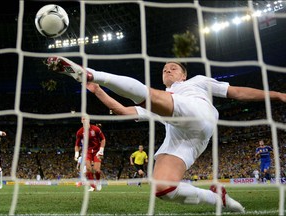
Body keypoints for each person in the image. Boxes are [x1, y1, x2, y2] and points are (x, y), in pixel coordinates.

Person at [45, 56, 286, 213]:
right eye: (164, 69)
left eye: (174, 68)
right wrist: (97, 91)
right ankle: (217, 199)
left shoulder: (197, 83)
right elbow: (121, 110)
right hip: (185, 141)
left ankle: (92, 73)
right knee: (162, 189)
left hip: (199, 114)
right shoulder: (161, 103)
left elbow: (237, 93)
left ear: (183, 75)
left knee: (149, 95)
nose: (168, 69)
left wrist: (276, 95)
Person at [75, 116, 106, 191]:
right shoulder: (80, 132)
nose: (84, 120)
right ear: (81, 121)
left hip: (97, 151)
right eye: (83, 119)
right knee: (88, 169)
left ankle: (98, 182)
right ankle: (93, 186)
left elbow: (103, 139)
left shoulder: (95, 129)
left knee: (97, 170)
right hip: (87, 151)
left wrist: (101, 149)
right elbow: (77, 144)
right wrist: (76, 153)